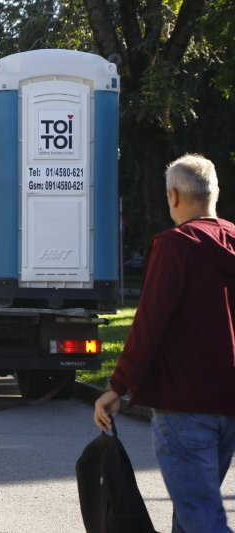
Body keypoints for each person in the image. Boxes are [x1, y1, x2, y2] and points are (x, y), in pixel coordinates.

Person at [94, 154, 235, 533]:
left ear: (173, 196)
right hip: (228, 405)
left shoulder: (176, 245)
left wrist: (116, 387)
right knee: (190, 514)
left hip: (183, 404)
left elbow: (149, 324)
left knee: (201, 515)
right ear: (215, 193)